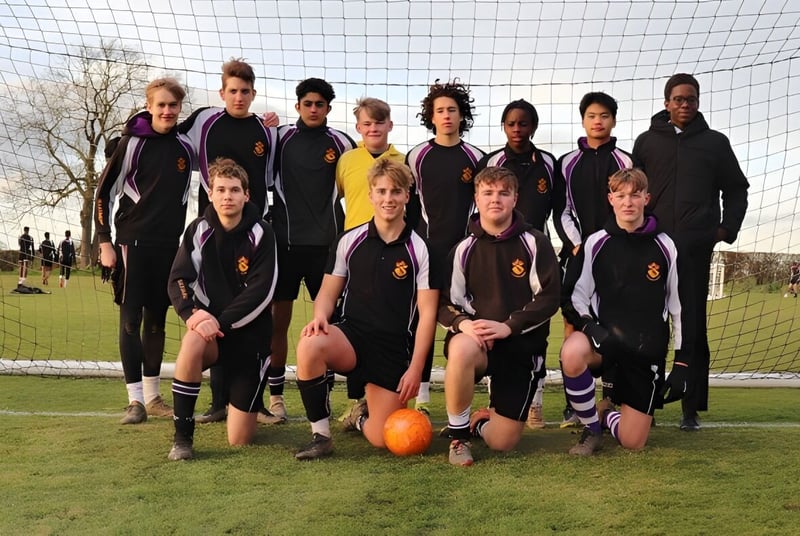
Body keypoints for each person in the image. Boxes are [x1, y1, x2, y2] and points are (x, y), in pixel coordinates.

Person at [293, 159, 438, 460]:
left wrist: (415, 369)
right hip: (352, 339)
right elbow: (327, 294)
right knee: (310, 344)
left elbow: (427, 316)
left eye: (396, 191)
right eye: (381, 191)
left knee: (383, 439)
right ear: (370, 195)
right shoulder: (348, 241)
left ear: (407, 196)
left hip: (392, 349)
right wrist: (320, 316)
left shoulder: (422, 248)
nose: (388, 199)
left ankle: (360, 417)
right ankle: (320, 436)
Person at [632, 73, 749, 431]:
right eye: (678, 99)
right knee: (648, 325)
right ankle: (643, 404)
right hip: (652, 249)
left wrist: (724, 230)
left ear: (697, 103)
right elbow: (634, 190)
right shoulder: (647, 142)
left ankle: (690, 408)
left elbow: (737, 189)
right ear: (666, 102)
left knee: (693, 327)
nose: (685, 105)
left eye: (691, 99)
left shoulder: (715, 143)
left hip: (695, 251)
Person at [438, 166, 561, 466]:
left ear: (515, 198)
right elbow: (444, 303)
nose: (496, 199)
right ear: (476, 199)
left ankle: (479, 423)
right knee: (462, 346)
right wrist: (464, 324)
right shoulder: (463, 250)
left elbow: (549, 298)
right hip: (480, 345)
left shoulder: (535, 243)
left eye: (504, 193)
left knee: (503, 443)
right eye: (488, 193)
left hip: (521, 348)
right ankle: (458, 437)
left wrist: (509, 327)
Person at [178, 58, 278, 424]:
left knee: (255, 314)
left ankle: (256, 402)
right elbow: (168, 129)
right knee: (213, 306)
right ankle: (218, 403)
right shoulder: (205, 120)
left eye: (245, 91)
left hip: (254, 230)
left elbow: (270, 178)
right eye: (232, 91)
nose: (239, 97)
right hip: (213, 230)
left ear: (253, 94)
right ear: (222, 93)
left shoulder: (266, 130)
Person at [560, 168, 682, 455]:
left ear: (646, 199)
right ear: (610, 199)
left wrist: (683, 359)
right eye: (621, 195)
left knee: (633, 442)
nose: (628, 202)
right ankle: (591, 428)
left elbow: (678, 306)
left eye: (635, 195)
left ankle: (605, 415)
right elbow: (574, 295)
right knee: (572, 351)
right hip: (606, 344)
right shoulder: (595, 242)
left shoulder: (666, 245)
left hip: (644, 349)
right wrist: (590, 327)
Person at [95, 77, 194, 425]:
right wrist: (105, 241)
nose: (167, 111)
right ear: (149, 106)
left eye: (173, 105)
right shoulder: (130, 144)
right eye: (161, 105)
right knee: (130, 320)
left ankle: (153, 398)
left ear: (180, 109)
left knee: (157, 322)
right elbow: (103, 194)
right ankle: (134, 401)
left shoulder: (186, 146)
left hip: (169, 246)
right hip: (131, 243)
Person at [166, 157, 278, 460]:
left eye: (234, 190)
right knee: (191, 341)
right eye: (221, 190)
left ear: (246, 195)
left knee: (239, 440)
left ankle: (237, 401)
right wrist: (192, 315)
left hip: (249, 341)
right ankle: (182, 439)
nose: (227, 196)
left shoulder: (262, 232)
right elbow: (178, 279)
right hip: (210, 335)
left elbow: (261, 292)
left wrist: (217, 322)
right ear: (210, 194)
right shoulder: (198, 230)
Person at [268, 78, 356, 425]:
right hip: (285, 244)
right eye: (308, 103)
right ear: (298, 106)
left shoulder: (342, 144)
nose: (314, 109)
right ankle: (276, 397)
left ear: (328, 109)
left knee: (328, 325)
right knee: (278, 323)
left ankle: (325, 397)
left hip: (327, 249)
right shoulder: (280, 139)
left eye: (320, 104)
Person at [553, 91, 634, 428]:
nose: (598, 121)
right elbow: (562, 211)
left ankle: (615, 399)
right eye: (591, 116)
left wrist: (614, 246)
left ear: (613, 120)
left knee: (618, 323)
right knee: (574, 325)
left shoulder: (626, 161)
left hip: (617, 258)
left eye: (604, 116)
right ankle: (575, 405)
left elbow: (631, 206)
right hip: (578, 255)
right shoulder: (567, 162)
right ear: (583, 120)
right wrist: (579, 246)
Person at [406, 78, 485, 415]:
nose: (447, 115)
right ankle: (422, 397)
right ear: (432, 116)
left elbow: (482, 207)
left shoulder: (478, 157)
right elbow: (411, 209)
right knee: (421, 318)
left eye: (452, 109)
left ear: (461, 115)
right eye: (440, 110)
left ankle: (477, 395)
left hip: (466, 253)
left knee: (471, 318)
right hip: (428, 251)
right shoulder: (416, 156)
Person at [477, 98, 556, 430]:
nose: (517, 129)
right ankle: (495, 397)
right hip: (499, 249)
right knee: (496, 318)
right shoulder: (491, 161)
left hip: (534, 249)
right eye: (511, 123)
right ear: (503, 127)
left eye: (523, 123)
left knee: (536, 324)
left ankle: (535, 400)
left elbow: (561, 206)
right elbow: (481, 204)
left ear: (533, 127)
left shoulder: (549, 163)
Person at [336, 97, 405, 230]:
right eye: (367, 124)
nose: (373, 128)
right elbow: (333, 201)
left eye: (379, 123)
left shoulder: (403, 162)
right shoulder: (346, 160)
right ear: (358, 127)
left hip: (394, 241)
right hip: (355, 240)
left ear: (390, 125)